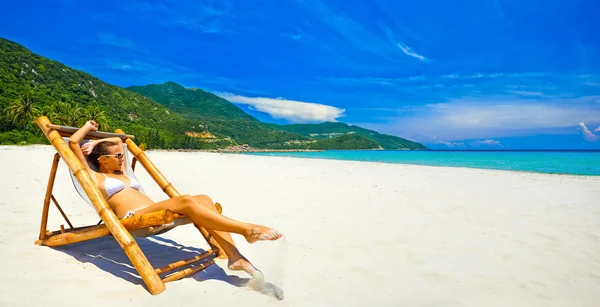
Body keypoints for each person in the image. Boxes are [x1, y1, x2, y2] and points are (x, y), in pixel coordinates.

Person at [69, 120, 282, 281]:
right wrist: (87, 128)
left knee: (204, 199)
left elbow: (119, 140)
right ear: (102, 160)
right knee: (187, 202)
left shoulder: (125, 173)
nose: (121, 158)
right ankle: (247, 230)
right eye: (117, 156)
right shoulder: (95, 177)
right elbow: (73, 142)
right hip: (134, 219)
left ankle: (235, 257)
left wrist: (96, 140)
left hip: (151, 210)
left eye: (121, 156)